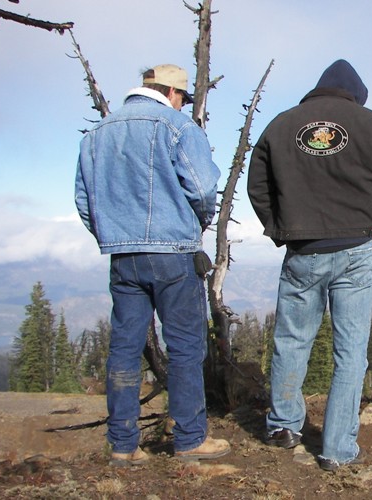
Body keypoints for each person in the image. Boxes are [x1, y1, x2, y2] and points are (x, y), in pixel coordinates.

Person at [247, 59, 372, 472]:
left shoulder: (282, 125)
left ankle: (284, 425)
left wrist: (279, 227)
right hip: (355, 250)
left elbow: (257, 185)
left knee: (292, 339)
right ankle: (337, 449)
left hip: (302, 250)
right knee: (351, 351)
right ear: (355, 94)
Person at [75, 64, 231, 466]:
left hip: (123, 256)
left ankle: (123, 444)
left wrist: (112, 234)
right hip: (173, 253)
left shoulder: (98, 132)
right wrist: (196, 222)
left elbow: (83, 199)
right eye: (184, 98)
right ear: (174, 93)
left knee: (124, 348)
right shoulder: (178, 127)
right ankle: (190, 439)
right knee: (184, 347)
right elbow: (200, 188)